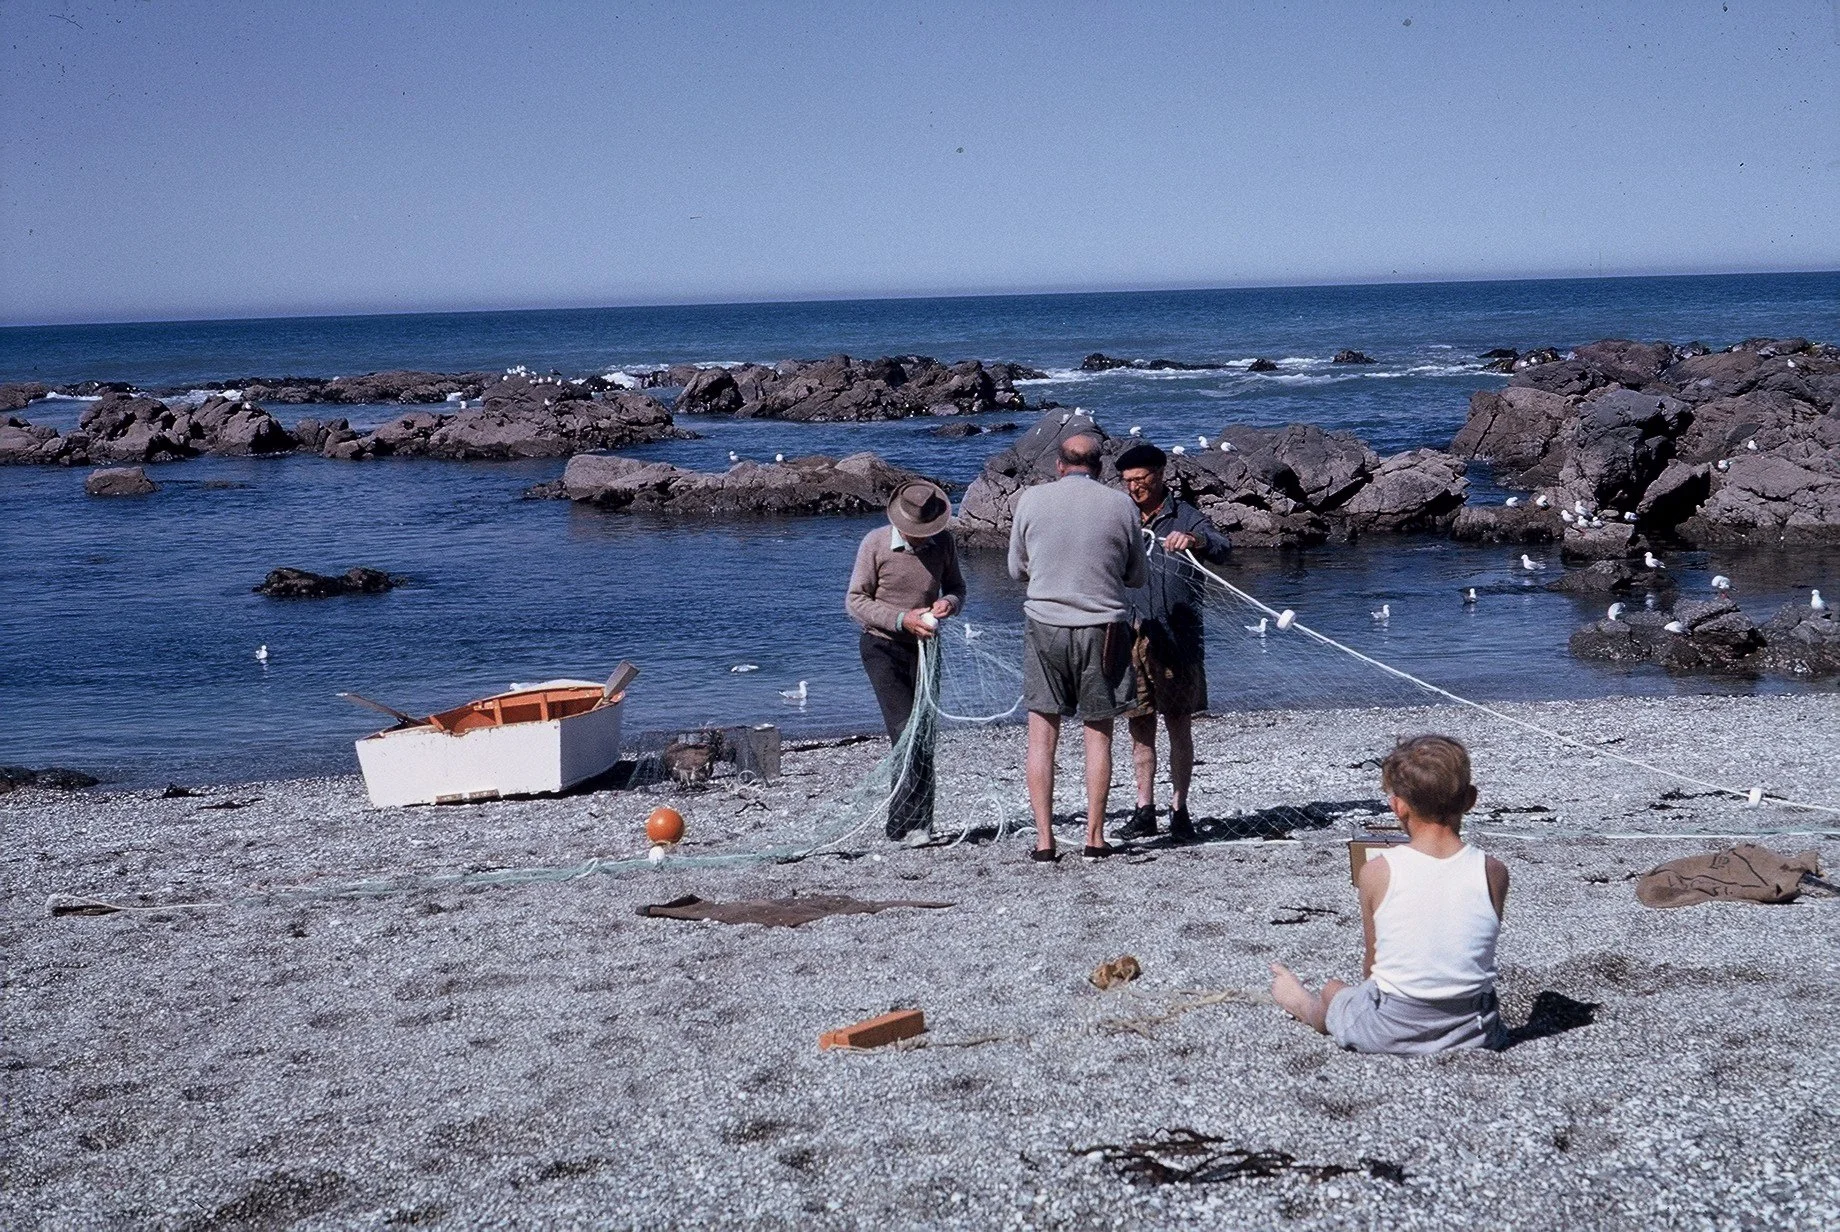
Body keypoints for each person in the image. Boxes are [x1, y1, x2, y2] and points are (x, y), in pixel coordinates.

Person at [1269, 735, 1511, 1054]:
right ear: (1470, 799)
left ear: (1397, 806)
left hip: (1391, 1030)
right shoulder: (1493, 872)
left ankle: (1301, 1004)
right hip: (1473, 1030)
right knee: (1348, 993)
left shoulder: (1378, 872)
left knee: (1333, 991)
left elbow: (1373, 969)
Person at [1007, 433, 1147, 861]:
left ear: (1059, 464)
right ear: (1100, 467)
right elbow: (1136, 575)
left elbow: (1016, 569)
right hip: (1102, 628)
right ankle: (1094, 837)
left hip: (1045, 623)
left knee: (1041, 736)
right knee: (1098, 733)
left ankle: (1045, 840)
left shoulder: (1030, 499)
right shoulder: (1122, 504)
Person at [1113, 442, 1232, 843]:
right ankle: (1143, 809)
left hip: (1180, 639)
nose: (1134, 488)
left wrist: (1194, 541)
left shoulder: (1188, 516)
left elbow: (1223, 548)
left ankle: (1179, 810)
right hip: (1131, 637)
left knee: (1178, 724)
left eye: (1141, 479)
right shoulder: (1122, 516)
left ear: (1161, 475)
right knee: (1139, 724)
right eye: (1127, 481)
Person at [846, 479, 965, 845]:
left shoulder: (943, 542)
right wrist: (902, 619)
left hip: (926, 649)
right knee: (904, 732)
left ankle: (919, 824)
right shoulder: (875, 543)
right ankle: (902, 825)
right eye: (913, 532)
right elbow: (855, 601)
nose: (918, 538)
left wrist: (949, 604)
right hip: (882, 647)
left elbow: (957, 588)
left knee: (925, 734)